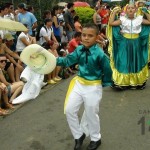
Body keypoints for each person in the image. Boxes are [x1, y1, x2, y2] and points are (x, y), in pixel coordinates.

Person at [57, 24, 112, 150]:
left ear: (97, 37)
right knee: (70, 110)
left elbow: (107, 70)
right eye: (84, 35)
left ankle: (96, 139)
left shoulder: (100, 54)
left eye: (90, 36)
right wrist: (51, 60)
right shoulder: (79, 50)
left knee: (92, 113)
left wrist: (103, 83)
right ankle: (78, 135)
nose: (86, 38)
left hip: (93, 87)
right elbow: (67, 61)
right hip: (79, 84)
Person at [108, 2, 150, 90]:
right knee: (123, 61)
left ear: (135, 9)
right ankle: (121, 82)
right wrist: (114, 12)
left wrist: (146, 12)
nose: (130, 9)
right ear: (126, 10)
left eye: (132, 8)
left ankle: (136, 82)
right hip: (124, 43)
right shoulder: (122, 19)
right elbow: (111, 23)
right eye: (128, 8)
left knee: (135, 62)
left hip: (136, 43)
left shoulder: (139, 18)